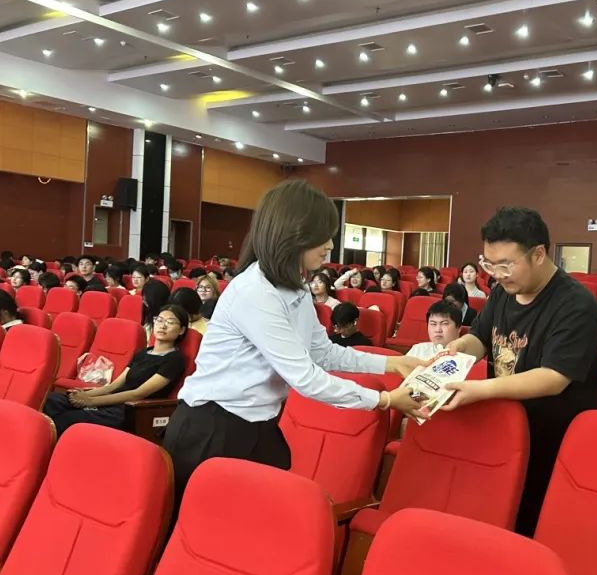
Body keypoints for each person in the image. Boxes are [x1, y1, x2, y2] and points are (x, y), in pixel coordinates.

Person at [162, 180, 425, 506]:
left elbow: (322, 352)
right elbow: (306, 378)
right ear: (291, 233)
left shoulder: (296, 287)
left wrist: (392, 363)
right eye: (322, 235)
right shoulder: (256, 293)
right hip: (213, 428)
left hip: (256, 424)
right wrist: (384, 399)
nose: (330, 244)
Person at [438, 206, 597, 536]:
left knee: (533, 531)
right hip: (506, 434)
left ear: (538, 254)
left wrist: (477, 390)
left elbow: (553, 377)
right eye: (489, 264)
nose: (496, 274)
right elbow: (480, 338)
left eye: (505, 264)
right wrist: (459, 349)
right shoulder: (503, 293)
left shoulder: (575, 304)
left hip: (554, 445)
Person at [43, 305, 190, 436]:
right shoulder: (142, 353)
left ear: (181, 330)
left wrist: (91, 401)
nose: (162, 326)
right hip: (110, 399)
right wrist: (85, 395)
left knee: (67, 419)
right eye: (159, 320)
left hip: (128, 410)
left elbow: (138, 393)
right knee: (52, 400)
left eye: (170, 322)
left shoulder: (174, 359)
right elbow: (114, 386)